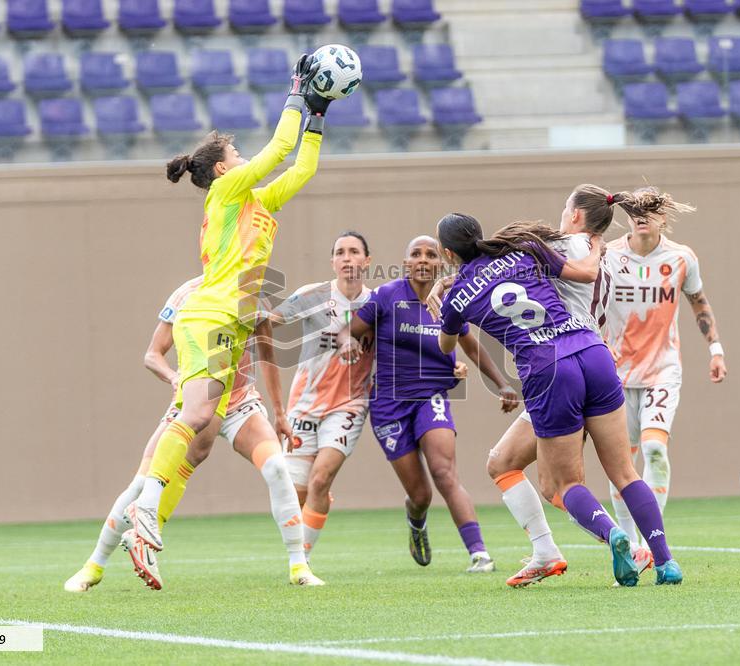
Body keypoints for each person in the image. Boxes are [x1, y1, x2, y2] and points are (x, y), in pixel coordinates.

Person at [123, 55, 331, 578]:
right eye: (237, 153)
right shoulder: (226, 191)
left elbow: (301, 165)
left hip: (229, 321)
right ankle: (144, 507)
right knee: (194, 419)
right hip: (210, 312)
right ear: (221, 168)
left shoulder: (255, 200)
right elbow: (280, 148)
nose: (243, 158)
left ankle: (145, 511)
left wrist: (319, 114)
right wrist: (297, 94)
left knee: (199, 424)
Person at [432, 213, 683, 586]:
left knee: (562, 486)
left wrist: (444, 308)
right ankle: (666, 562)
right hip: (591, 351)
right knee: (625, 473)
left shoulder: (456, 297)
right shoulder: (526, 249)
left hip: (547, 370)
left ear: (448, 253)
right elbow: (582, 272)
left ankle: (617, 539)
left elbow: (447, 344)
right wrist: (596, 242)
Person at [64, 276, 321, 591]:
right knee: (142, 483)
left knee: (277, 467)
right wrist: (173, 377)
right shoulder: (187, 295)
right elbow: (153, 354)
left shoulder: (249, 294)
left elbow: (267, 354)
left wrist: (280, 413)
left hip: (241, 404)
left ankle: (299, 567)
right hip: (197, 403)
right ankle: (93, 566)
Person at [470, 184, 622, 587]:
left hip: (559, 366)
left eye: (564, 207)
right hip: (596, 361)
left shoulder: (563, 245)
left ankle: (617, 542)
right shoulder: (607, 255)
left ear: (575, 215)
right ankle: (647, 551)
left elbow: (516, 258)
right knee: (508, 463)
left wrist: (455, 281)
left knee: (560, 485)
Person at [339, 235, 519, 573]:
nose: (423, 260)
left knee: (444, 472)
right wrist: (347, 342)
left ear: (441, 263)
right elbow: (347, 331)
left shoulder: (450, 303)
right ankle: (417, 522)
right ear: (406, 262)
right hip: (389, 405)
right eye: (415, 254)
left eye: (431, 255)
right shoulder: (387, 296)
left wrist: (503, 385)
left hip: (431, 398)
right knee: (421, 495)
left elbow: (473, 348)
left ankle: (479, 554)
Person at [603, 186, 726, 561]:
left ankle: (649, 538)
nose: (641, 216)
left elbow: (699, 303)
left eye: (650, 210)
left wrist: (715, 349)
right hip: (616, 373)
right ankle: (629, 546)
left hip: (662, 370)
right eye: (635, 210)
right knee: (622, 464)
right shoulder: (607, 256)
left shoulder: (681, 258)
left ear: (663, 217)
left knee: (654, 450)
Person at [262, 231, 375, 557]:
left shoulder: (377, 302)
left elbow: (406, 342)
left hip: (349, 404)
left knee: (321, 479)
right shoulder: (312, 295)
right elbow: (272, 322)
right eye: (340, 252)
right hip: (304, 405)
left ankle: (302, 561)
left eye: (354, 252)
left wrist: (447, 366)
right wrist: (250, 312)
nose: (347, 258)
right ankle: (301, 549)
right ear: (333, 261)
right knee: (294, 493)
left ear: (367, 260)